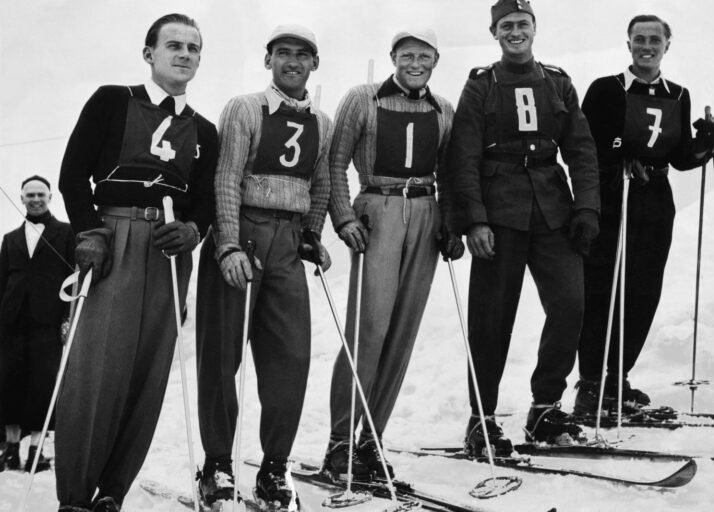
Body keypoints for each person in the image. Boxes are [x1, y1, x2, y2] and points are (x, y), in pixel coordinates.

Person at [56, 13, 217, 512]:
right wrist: (88, 231)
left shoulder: (206, 131)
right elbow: (71, 174)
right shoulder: (113, 100)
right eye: (173, 45)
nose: (184, 54)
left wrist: (194, 230)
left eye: (193, 47)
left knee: (148, 373)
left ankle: (112, 492)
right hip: (113, 238)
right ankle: (75, 496)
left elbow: (205, 201)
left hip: (169, 251)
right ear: (149, 54)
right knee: (97, 368)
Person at [450, 0, 600, 449]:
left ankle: (544, 410)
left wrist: (587, 208)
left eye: (523, 24)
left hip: (554, 211)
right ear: (494, 33)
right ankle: (482, 418)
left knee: (571, 305)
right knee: (491, 319)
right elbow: (464, 157)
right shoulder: (480, 86)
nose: (515, 32)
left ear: (535, 29)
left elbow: (582, 149)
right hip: (499, 215)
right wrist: (474, 220)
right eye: (506, 26)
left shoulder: (557, 82)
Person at [195, 24, 331, 511]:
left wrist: (312, 233)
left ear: (314, 64)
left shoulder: (323, 121)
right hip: (243, 234)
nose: (293, 62)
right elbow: (226, 176)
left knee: (290, 359)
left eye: (303, 55)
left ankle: (275, 466)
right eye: (283, 53)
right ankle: (217, 463)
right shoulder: (245, 107)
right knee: (221, 357)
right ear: (269, 59)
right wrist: (228, 244)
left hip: (288, 242)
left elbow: (321, 185)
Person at [323, 28, 462, 480]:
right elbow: (334, 162)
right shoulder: (363, 98)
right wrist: (343, 218)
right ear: (393, 57)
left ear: (436, 59)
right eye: (407, 55)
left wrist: (451, 224)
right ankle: (340, 442)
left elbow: (452, 171)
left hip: (425, 210)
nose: (415, 63)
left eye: (424, 55)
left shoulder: (442, 108)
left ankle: (370, 442)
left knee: (402, 332)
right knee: (368, 329)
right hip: (377, 209)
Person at [575, 15, 714, 414]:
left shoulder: (677, 94)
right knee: (602, 287)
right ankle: (590, 383)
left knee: (643, 289)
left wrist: (707, 143)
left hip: (655, 198)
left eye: (654, 40)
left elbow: (679, 157)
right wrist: (619, 156)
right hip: (613, 195)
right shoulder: (607, 89)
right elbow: (584, 145)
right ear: (628, 44)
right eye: (639, 39)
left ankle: (617, 379)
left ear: (666, 46)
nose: (646, 46)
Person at [0, 176, 75, 472]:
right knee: (9, 383)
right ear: (21, 198)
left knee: (41, 384)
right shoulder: (9, 239)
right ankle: (11, 449)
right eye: (29, 194)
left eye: (40, 194)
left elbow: (74, 279)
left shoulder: (67, 233)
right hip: (10, 322)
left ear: (50, 197)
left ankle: (36, 452)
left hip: (49, 322)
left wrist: (68, 317)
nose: (35, 199)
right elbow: (2, 281)